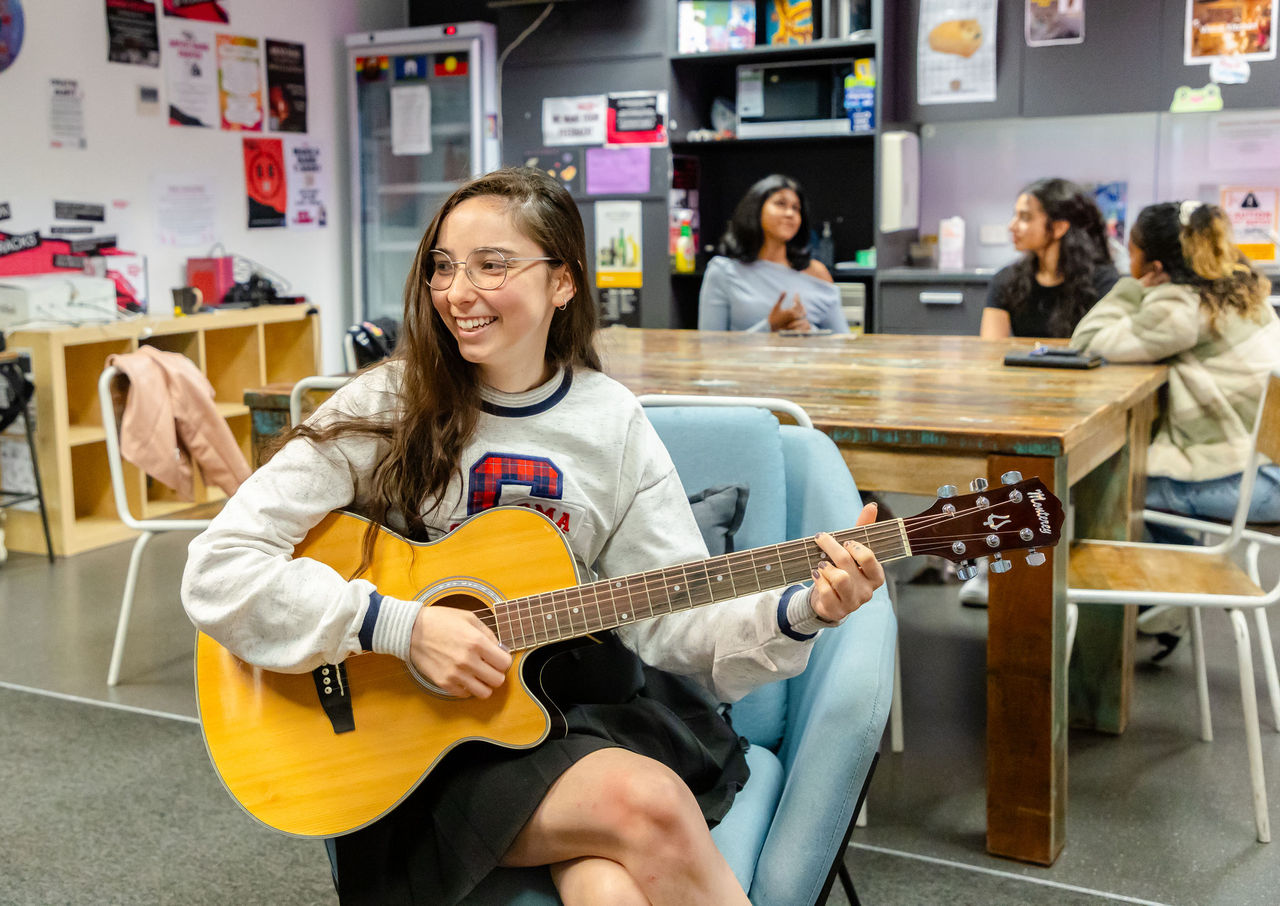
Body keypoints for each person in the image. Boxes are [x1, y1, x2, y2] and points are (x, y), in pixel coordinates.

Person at [181, 167, 883, 906]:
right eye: (444, 267)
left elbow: (674, 619)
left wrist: (804, 610)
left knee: (606, 892)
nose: (457, 292)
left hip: (562, 719)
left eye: (491, 265)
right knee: (647, 805)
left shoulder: (611, 422)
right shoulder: (387, 402)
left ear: (563, 283)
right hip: (413, 756)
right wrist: (400, 626)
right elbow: (218, 568)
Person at [1071, 200, 1280, 656]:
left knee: (1112, 484)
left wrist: (1130, 287)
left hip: (1253, 482)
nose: (1128, 261)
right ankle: (1169, 593)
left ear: (1157, 264)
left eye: (1132, 251)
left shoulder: (1180, 306)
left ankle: (1161, 596)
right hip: (1269, 468)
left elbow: (1087, 342)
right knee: (1138, 482)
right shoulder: (1240, 287)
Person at [698, 174, 849, 333]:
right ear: (755, 209)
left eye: (796, 208)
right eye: (780, 204)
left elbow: (843, 345)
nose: (790, 214)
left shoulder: (817, 273)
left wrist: (809, 331)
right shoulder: (724, 272)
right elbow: (710, 347)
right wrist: (769, 327)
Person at [979, 177, 1119, 339]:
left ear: (1058, 228)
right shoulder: (1006, 280)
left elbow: (1105, 349)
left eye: (1025, 217)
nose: (1012, 226)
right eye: (1015, 215)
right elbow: (990, 349)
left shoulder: (1103, 282)